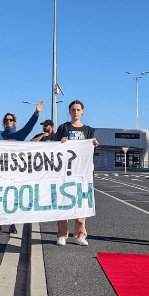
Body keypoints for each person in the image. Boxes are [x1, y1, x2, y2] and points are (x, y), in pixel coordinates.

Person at [0, 97, 44, 235]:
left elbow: (29, 126)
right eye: (6, 120)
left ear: (14, 122)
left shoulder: (19, 135)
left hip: (14, 172)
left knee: (12, 198)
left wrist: (36, 113)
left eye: (10, 120)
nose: (8, 122)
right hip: (0, 171)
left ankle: (12, 224)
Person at [54, 100, 99, 246]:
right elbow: (53, 148)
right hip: (65, 172)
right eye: (73, 110)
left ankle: (80, 234)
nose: (76, 112)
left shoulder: (89, 130)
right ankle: (62, 235)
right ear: (69, 111)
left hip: (82, 174)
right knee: (63, 203)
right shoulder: (63, 127)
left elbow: (90, 152)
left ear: (82, 111)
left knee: (81, 203)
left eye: (78, 110)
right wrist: (61, 142)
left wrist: (94, 146)